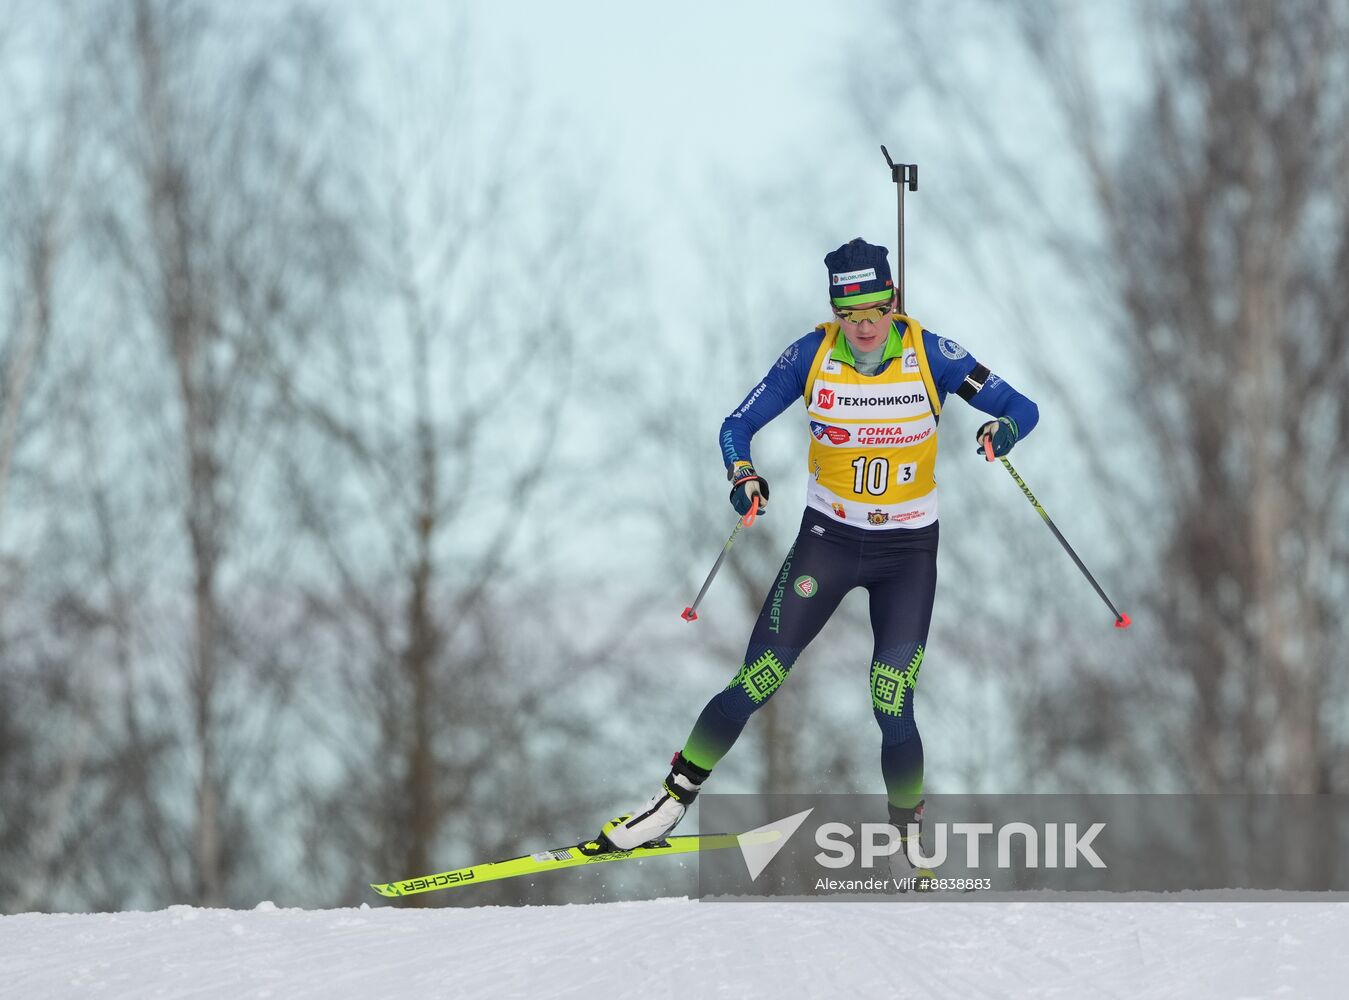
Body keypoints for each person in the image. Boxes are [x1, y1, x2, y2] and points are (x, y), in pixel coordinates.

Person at [595, 238, 1039, 878]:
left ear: (892, 302)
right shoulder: (810, 355)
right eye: (849, 314)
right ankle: (670, 802)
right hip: (828, 541)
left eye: (874, 312)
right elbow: (734, 426)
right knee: (759, 678)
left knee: (891, 695)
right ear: (835, 311)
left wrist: (1004, 430)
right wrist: (742, 475)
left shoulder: (933, 355)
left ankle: (909, 830)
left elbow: (1021, 406)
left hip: (907, 550)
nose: (862, 328)